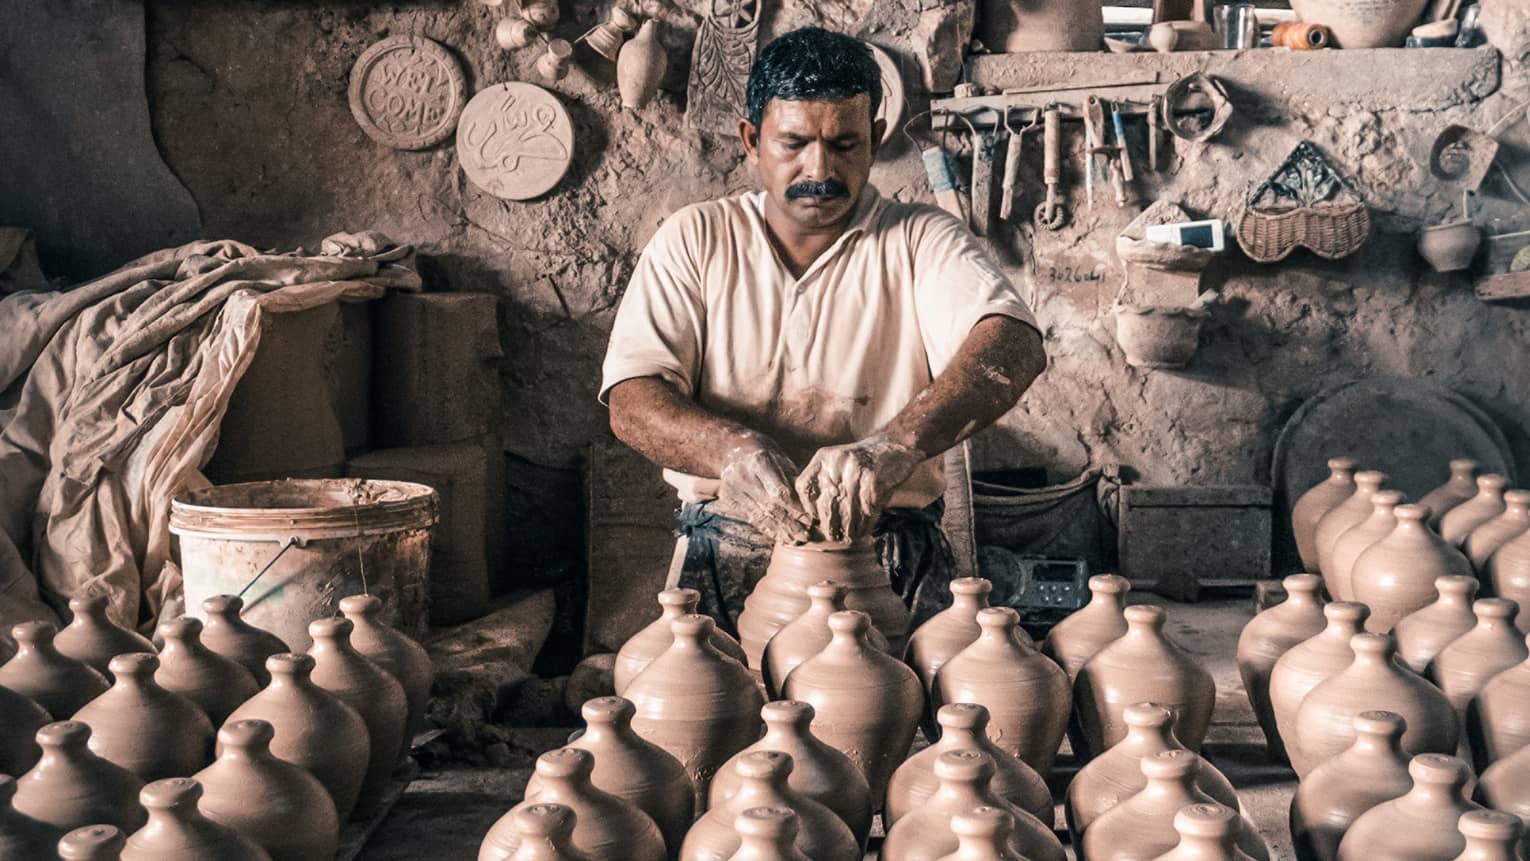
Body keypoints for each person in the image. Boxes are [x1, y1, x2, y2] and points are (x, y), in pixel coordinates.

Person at [599, 26, 1047, 630]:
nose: (820, 169)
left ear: (876, 140)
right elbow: (631, 399)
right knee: (710, 712)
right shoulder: (695, 238)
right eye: (794, 144)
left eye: (843, 144)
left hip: (890, 548)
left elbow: (1012, 345)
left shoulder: (921, 239)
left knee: (921, 714)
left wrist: (895, 446)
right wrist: (730, 450)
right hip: (729, 540)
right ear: (752, 140)